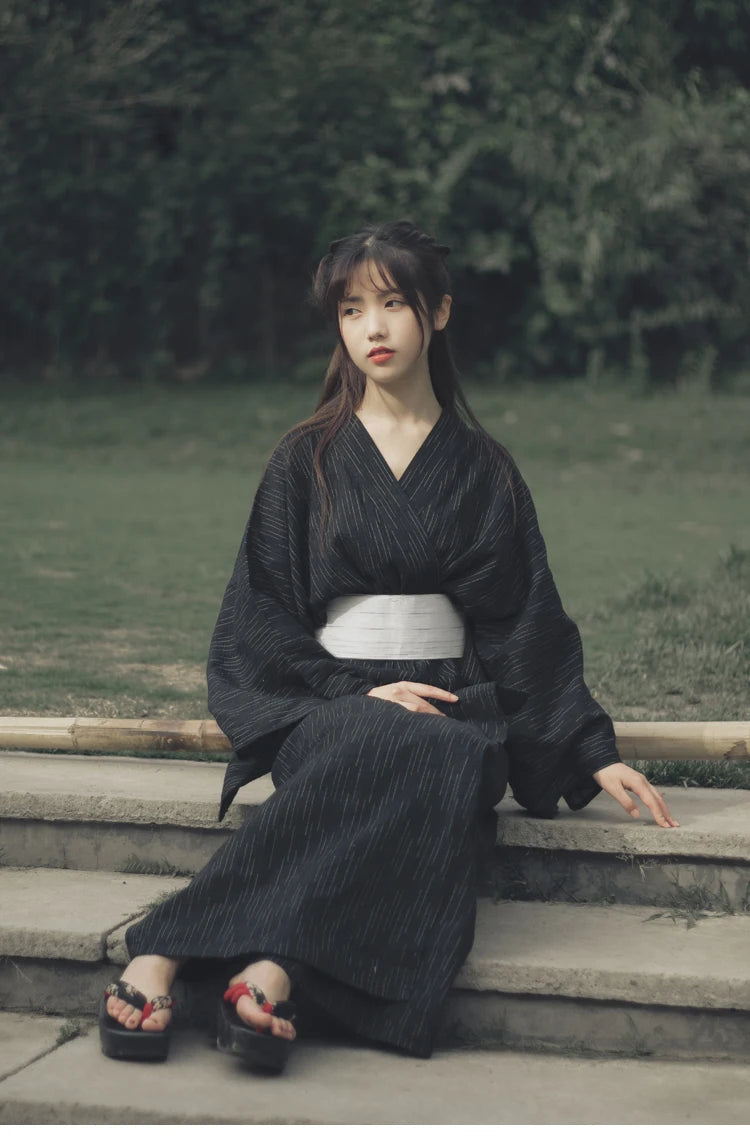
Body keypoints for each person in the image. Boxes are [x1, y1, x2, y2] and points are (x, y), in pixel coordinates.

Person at [100, 220, 678, 1071]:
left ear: (437, 313)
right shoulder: (306, 461)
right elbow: (257, 617)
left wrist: (588, 748)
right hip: (330, 699)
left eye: (394, 303)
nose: (372, 327)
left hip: (455, 705)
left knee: (435, 748)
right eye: (351, 309)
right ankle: (258, 970)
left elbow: (525, 622)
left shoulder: (485, 469)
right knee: (391, 740)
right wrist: (351, 692)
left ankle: (182, 954)